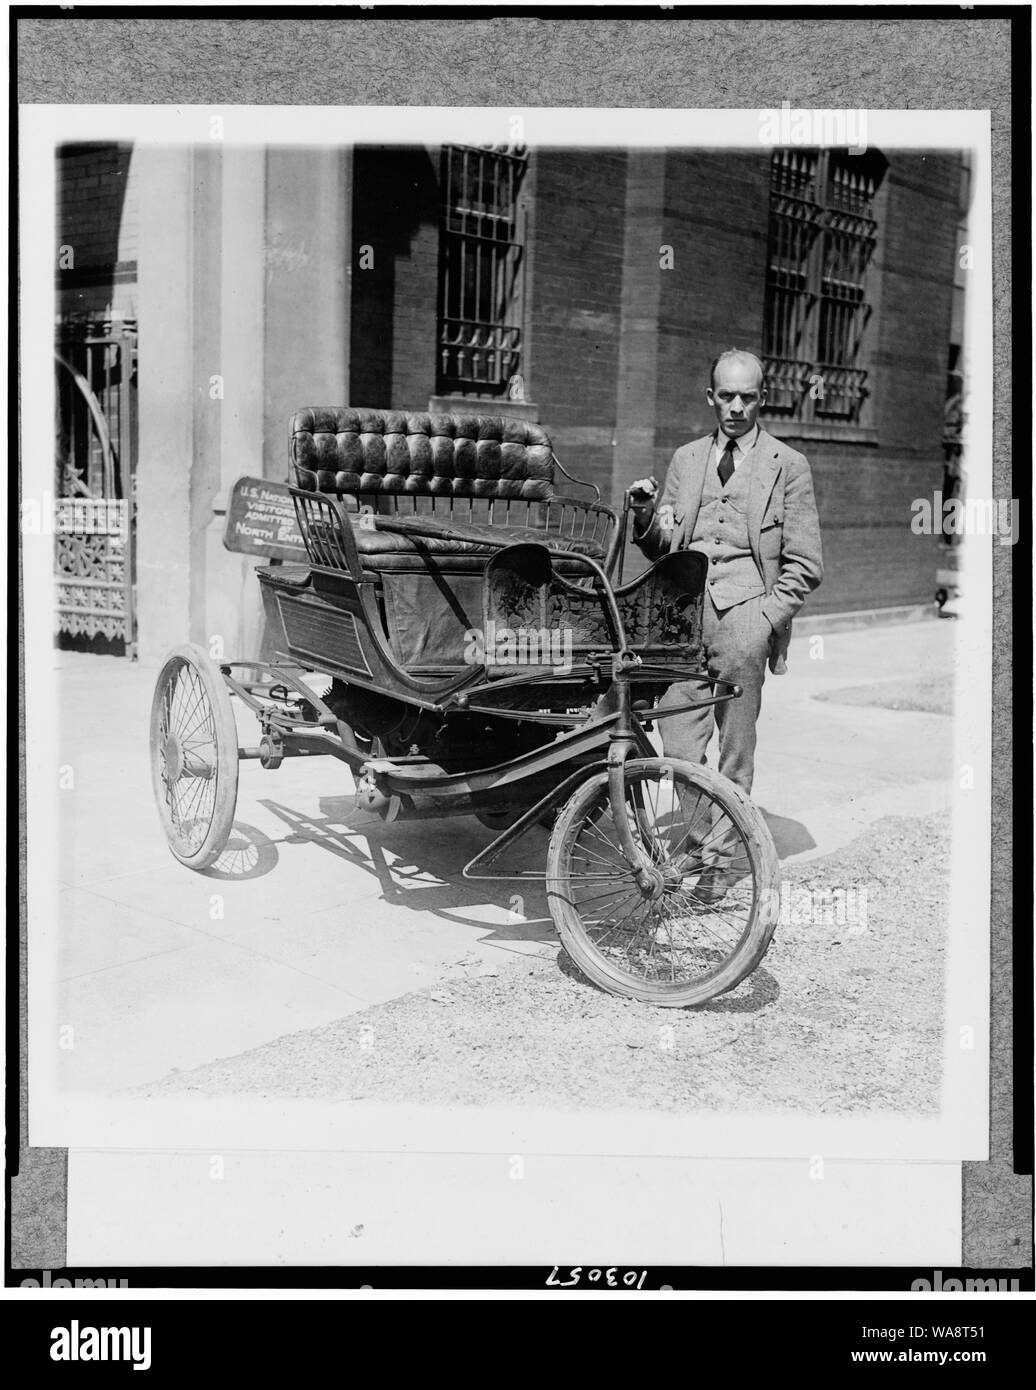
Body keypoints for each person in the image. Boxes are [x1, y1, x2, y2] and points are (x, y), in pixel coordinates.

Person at [629, 350, 823, 893]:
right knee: (681, 746)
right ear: (710, 396)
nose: (736, 407)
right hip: (685, 619)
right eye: (726, 395)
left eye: (748, 396)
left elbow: (806, 563)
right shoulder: (686, 459)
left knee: (735, 750)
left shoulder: (789, 465)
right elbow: (666, 546)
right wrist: (645, 516)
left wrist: (765, 618)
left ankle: (715, 866)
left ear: (762, 398)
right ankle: (695, 850)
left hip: (745, 617)